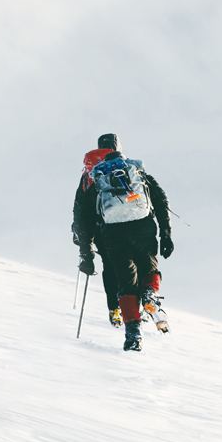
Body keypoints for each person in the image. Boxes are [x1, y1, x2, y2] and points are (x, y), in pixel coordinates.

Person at [76, 145, 174, 352]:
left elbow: (84, 220)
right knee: (149, 270)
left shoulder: (97, 182)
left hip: (113, 235)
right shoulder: (139, 175)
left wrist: (87, 252)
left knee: (126, 283)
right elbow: (161, 201)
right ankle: (149, 293)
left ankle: (133, 332)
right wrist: (166, 234)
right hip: (143, 228)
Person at [72, 133, 123, 328]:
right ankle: (132, 307)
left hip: (95, 226)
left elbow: (79, 204)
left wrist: (78, 230)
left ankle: (114, 309)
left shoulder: (88, 171)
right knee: (126, 265)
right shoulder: (120, 166)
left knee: (109, 266)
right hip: (117, 223)